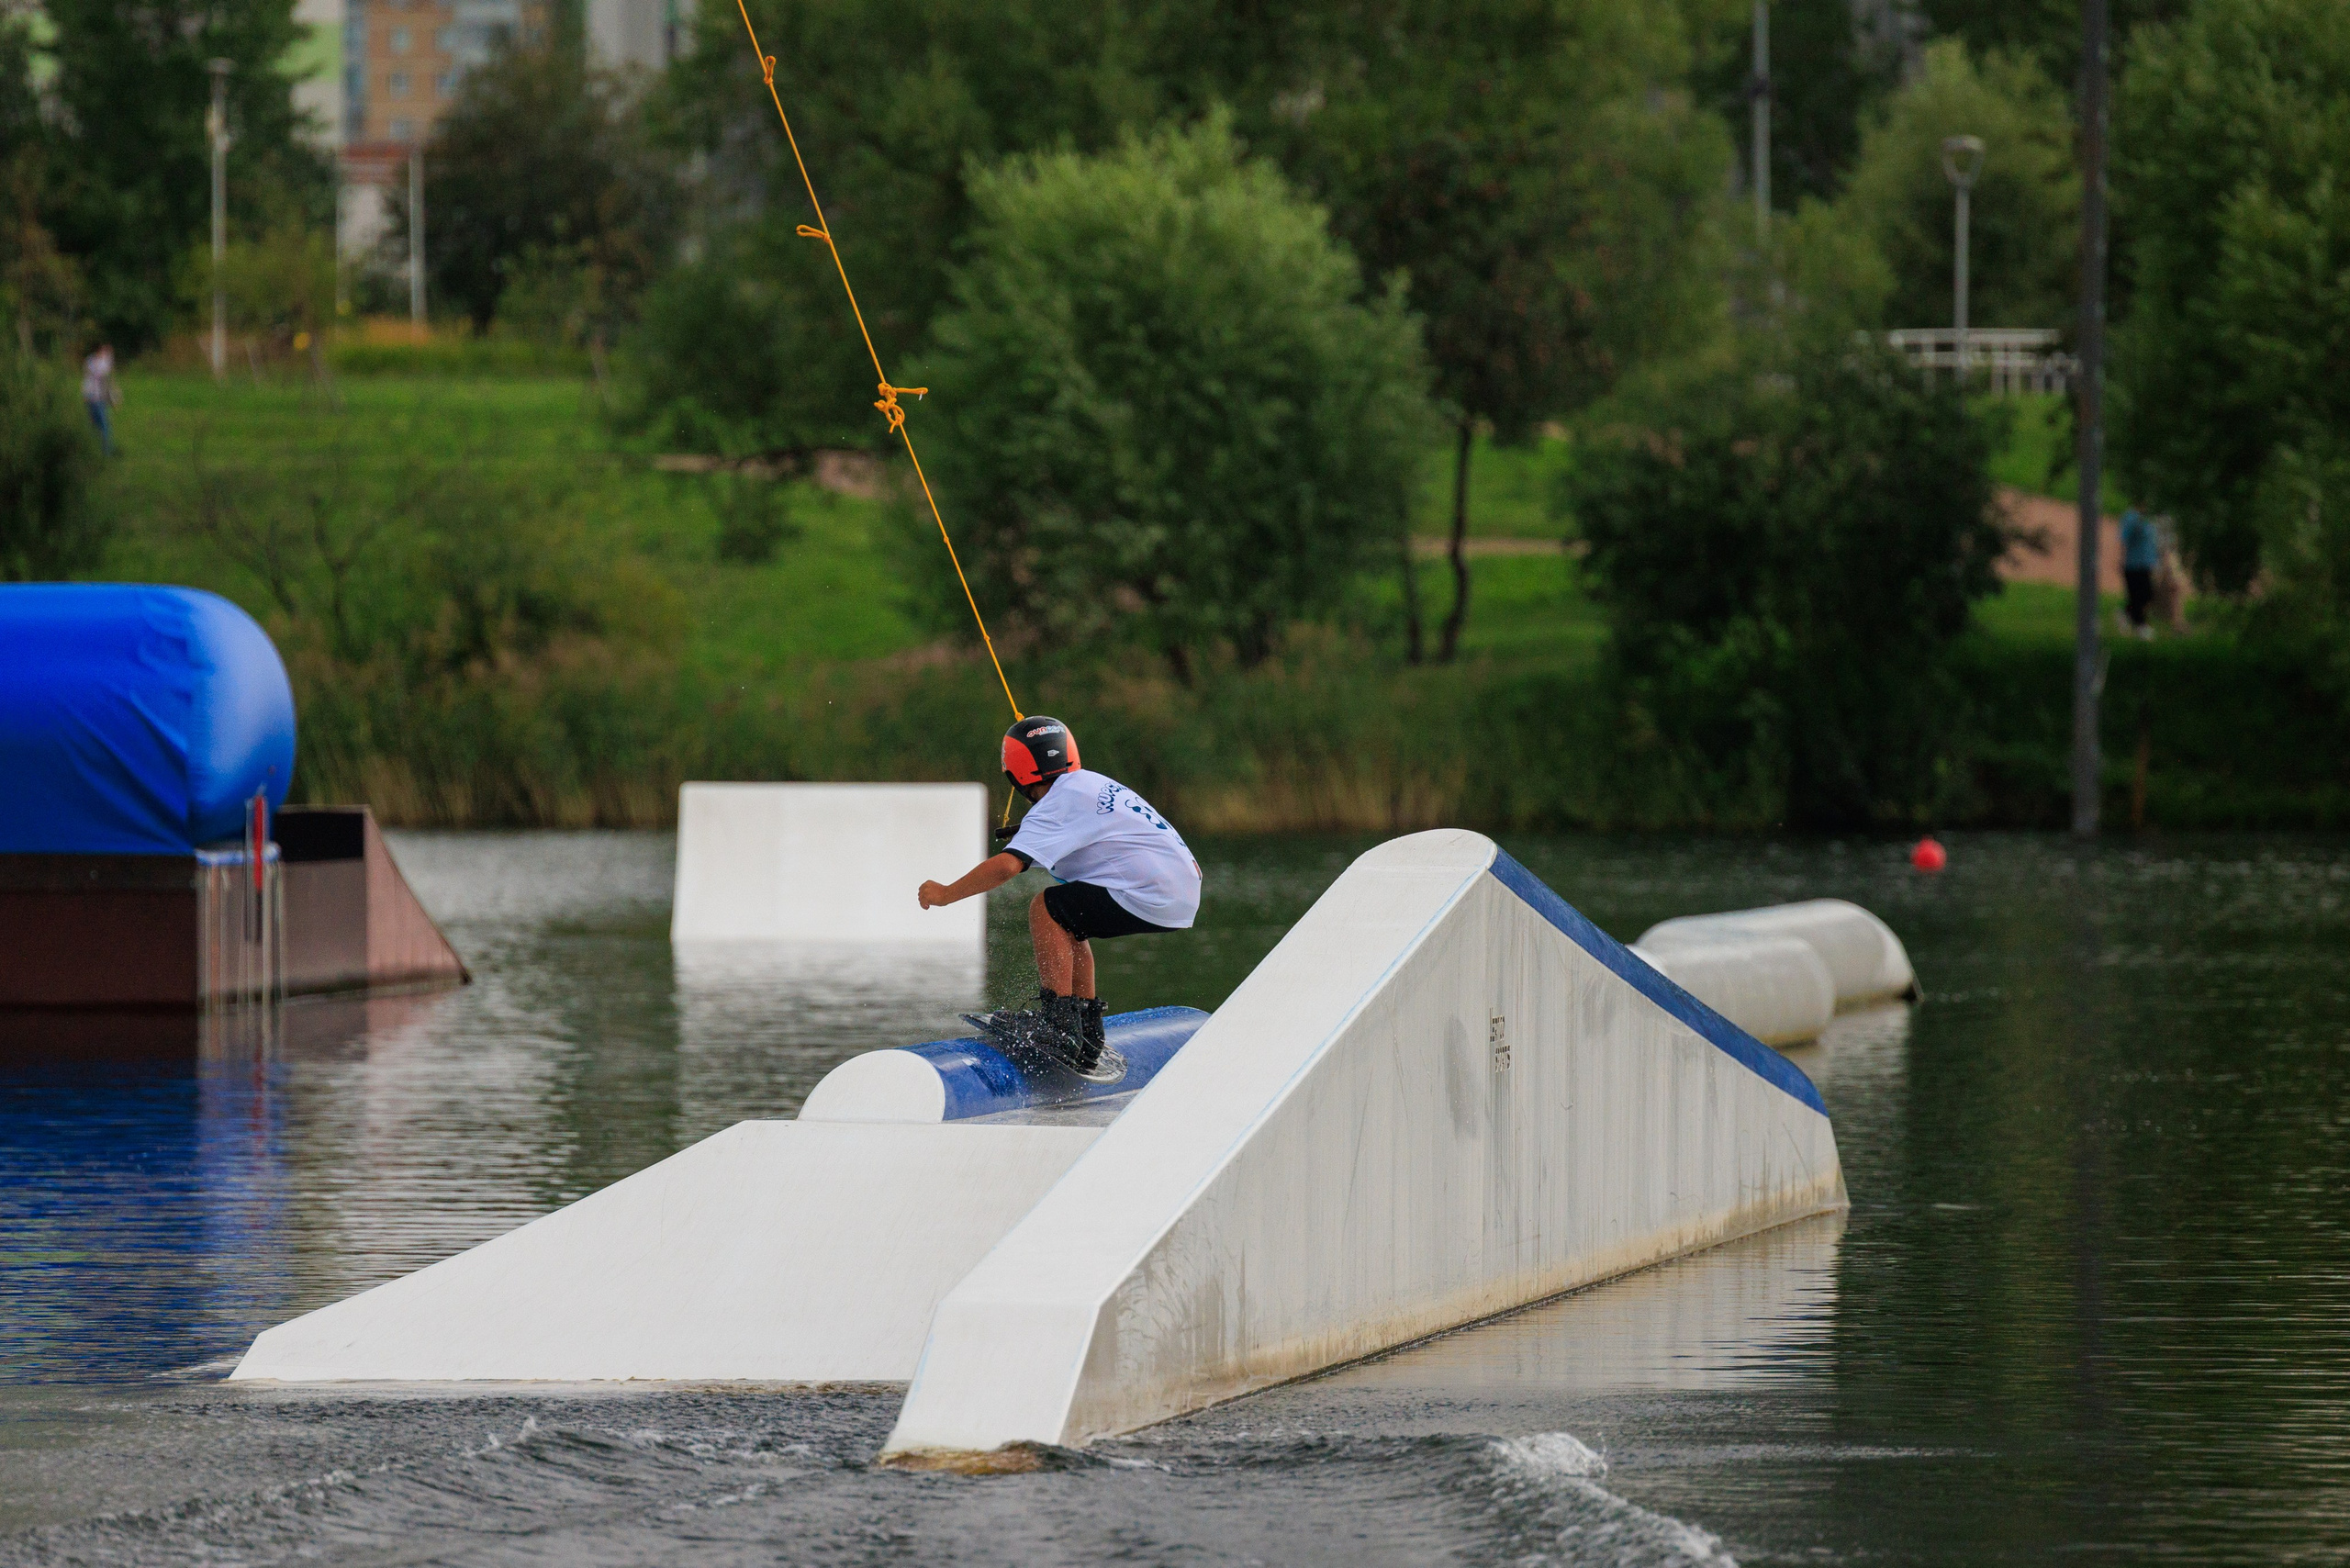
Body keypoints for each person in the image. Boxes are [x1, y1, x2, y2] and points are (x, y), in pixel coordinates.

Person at [917, 715, 1202, 1077]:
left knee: (1046, 908)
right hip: (1179, 888)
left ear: (1015, 775)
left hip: (1154, 891)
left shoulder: (1059, 802)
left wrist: (945, 894)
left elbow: (1006, 867)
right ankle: (1087, 1032)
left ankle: (1058, 1028)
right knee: (1069, 920)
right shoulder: (1087, 784)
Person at [2120, 507, 2159, 639]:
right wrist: (2121, 559)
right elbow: (2124, 540)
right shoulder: (2131, 518)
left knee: (2147, 595)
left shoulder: (2149, 520)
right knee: (2137, 595)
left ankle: (2126, 614)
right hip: (2133, 564)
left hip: (2146, 563)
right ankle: (2140, 625)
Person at [81, 343, 118, 457]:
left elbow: (107, 378)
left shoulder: (94, 361)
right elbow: (101, 378)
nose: (105, 354)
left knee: (97, 424)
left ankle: (100, 450)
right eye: (104, 351)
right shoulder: (96, 363)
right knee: (102, 425)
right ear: (99, 351)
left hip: (96, 397)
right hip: (94, 397)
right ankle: (106, 452)